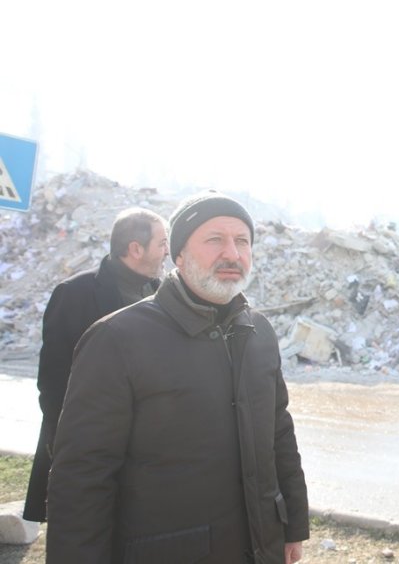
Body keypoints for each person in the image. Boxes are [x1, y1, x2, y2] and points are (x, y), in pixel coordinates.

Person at [46, 191, 309, 564]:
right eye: (214, 239)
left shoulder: (259, 331)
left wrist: (293, 524)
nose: (232, 254)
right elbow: (82, 474)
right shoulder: (118, 339)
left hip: (261, 546)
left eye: (242, 241)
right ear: (178, 254)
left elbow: (279, 432)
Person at [23, 207, 169, 523]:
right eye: (162, 243)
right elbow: (54, 379)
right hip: (88, 440)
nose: (167, 252)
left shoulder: (162, 294)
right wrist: (65, 445)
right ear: (136, 248)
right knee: (82, 527)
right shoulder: (75, 293)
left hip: (144, 444)